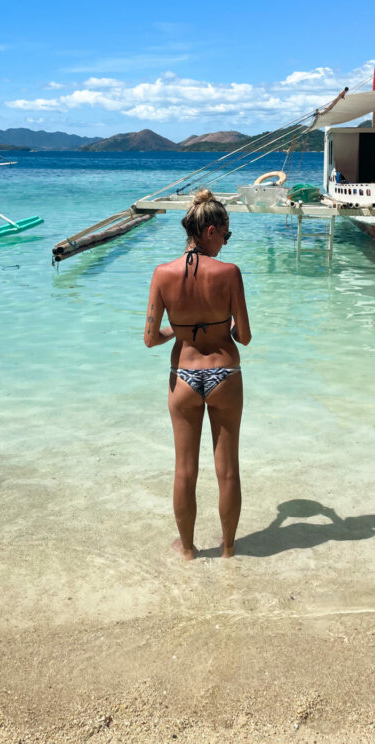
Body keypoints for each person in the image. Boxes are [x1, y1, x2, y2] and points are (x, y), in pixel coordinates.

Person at [144, 188, 251, 560]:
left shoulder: (162, 274)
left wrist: (182, 329)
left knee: (184, 470)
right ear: (210, 231)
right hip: (225, 374)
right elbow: (246, 336)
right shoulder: (229, 273)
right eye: (226, 234)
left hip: (183, 376)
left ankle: (188, 550)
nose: (225, 241)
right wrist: (222, 328)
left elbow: (150, 338)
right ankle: (228, 550)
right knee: (228, 470)